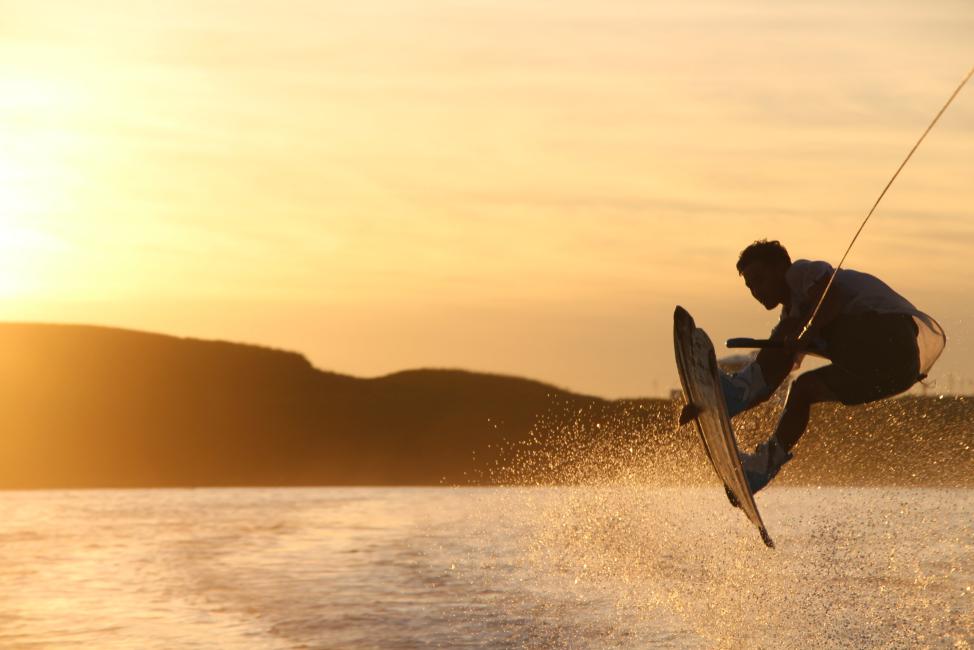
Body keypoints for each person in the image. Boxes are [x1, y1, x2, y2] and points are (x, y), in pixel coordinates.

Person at [684, 239, 946, 493]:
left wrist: (804, 332)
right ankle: (762, 466)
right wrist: (711, 405)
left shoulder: (801, 273)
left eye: (760, 280)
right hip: (891, 375)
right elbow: (768, 385)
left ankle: (738, 390)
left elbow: (834, 297)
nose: (756, 292)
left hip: (892, 341)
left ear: (779, 268)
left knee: (790, 331)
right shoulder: (794, 318)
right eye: (750, 287)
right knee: (803, 390)